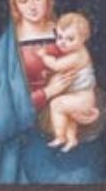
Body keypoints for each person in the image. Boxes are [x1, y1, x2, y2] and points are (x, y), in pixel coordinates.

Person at [0, 0, 105, 184]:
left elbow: (86, 77)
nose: (32, 6)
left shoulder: (67, 34)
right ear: (15, 6)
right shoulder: (5, 49)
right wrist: (48, 92)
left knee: (84, 179)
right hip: (26, 137)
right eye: (23, 0)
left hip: (72, 127)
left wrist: (90, 109)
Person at [37, 12, 99, 152]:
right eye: (60, 37)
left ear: (83, 39)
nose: (62, 42)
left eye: (70, 39)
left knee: (56, 105)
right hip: (81, 97)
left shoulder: (77, 56)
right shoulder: (74, 52)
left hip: (82, 99)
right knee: (68, 117)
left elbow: (56, 65)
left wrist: (44, 56)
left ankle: (60, 137)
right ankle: (71, 140)